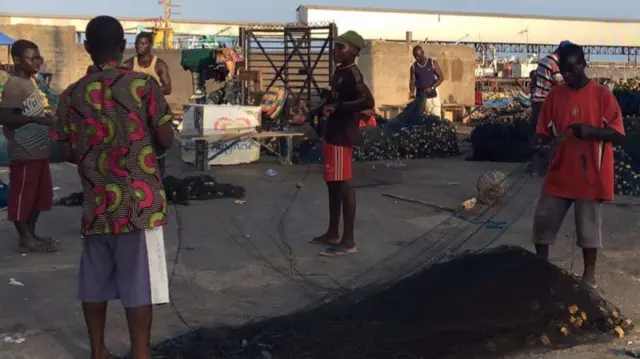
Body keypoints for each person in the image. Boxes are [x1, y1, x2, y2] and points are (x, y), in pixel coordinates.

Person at [53, 16, 175, 359]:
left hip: (96, 205)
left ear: (87, 48)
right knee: (139, 286)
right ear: (123, 48)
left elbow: (64, 150)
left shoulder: (71, 94)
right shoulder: (142, 86)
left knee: (93, 282)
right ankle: (140, 353)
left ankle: (97, 351)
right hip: (139, 205)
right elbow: (166, 138)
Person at [532, 43, 625, 289]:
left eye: (572, 70)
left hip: (590, 172)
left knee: (588, 229)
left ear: (583, 65)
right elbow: (544, 129)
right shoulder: (556, 95)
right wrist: (541, 143)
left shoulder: (602, 94)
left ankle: (589, 275)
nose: (568, 76)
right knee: (543, 220)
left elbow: (617, 133)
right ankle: (541, 270)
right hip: (560, 172)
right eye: (564, 71)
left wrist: (590, 131)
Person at [308, 30, 374, 257]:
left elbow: (367, 100)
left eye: (341, 48)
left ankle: (348, 241)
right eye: (335, 47)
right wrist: (311, 113)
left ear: (354, 51)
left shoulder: (353, 75)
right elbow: (331, 100)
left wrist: (338, 108)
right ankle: (332, 232)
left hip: (342, 135)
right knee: (333, 185)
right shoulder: (339, 71)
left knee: (343, 184)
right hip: (332, 133)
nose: (335, 51)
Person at [0, 39, 58, 254]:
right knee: (22, 196)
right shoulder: (14, 84)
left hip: (37, 150)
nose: (37, 61)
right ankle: (25, 237)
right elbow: (6, 117)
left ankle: (31, 234)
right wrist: (38, 121)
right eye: (31, 58)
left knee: (38, 196)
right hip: (24, 151)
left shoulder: (31, 81)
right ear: (17, 60)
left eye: (38, 57)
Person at [125, 32, 173, 177]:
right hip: (135, 114)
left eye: (143, 43)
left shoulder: (158, 64)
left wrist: (148, 91)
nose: (139, 46)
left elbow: (168, 88)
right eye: (137, 43)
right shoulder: (128, 64)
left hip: (154, 113)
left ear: (150, 45)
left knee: (157, 148)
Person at [530, 40, 572, 175]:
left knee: (539, 134)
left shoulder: (543, 61)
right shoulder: (555, 65)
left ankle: (536, 168)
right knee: (552, 134)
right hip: (546, 103)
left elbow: (534, 82)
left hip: (536, 102)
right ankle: (548, 168)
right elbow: (560, 85)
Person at [409, 45, 444, 117]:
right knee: (423, 121)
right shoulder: (414, 67)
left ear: (423, 53)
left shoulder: (432, 63)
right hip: (421, 98)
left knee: (436, 119)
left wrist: (432, 88)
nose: (417, 58)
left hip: (433, 98)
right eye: (415, 56)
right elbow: (412, 81)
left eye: (418, 56)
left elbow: (441, 78)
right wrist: (412, 92)